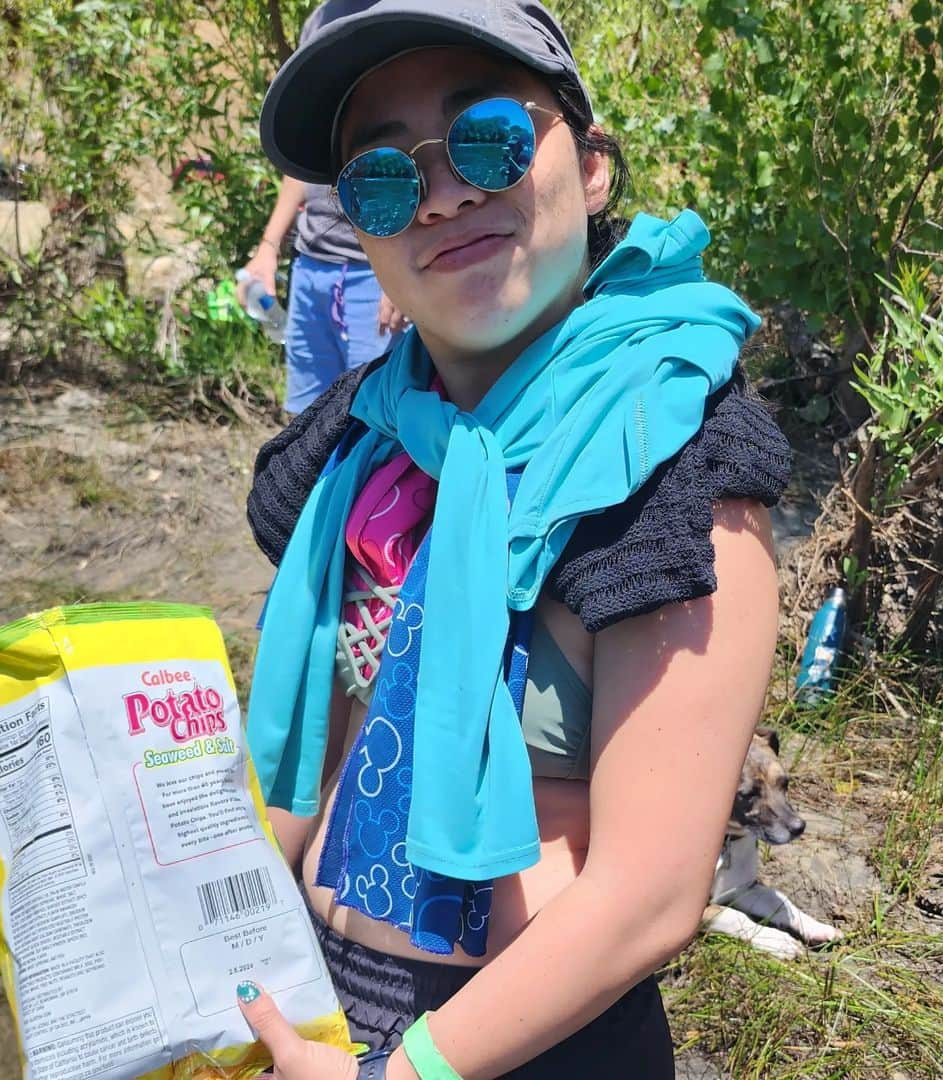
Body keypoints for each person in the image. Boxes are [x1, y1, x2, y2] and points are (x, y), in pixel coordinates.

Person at [240, 1, 793, 1076]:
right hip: (317, 1008)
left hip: (526, 1048)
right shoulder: (362, 441)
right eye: (384, 177)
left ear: (588, 165)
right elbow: (314, 752)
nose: (443, 194)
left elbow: (647, 897)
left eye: (487, 137)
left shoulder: (671, 463)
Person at [238, 0, 406, 416]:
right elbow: (302, 161)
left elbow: (417, 151)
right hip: (312, 267)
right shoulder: (318, 21)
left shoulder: (408, 14)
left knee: (371, 424)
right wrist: (268, 246)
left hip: (375, 273)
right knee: (305, 422)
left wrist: (403, 271)